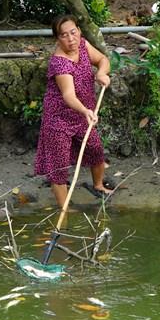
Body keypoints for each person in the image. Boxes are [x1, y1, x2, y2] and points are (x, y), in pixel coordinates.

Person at [34, 14, 114, 207]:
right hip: (59, 119)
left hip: (81, 116)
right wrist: (86, 111)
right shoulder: (59, 62)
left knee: (96, 150)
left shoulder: (83, 45)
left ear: (79, 31)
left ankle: (98, 185)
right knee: (59, 165)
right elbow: (68, 95)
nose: (71, 39)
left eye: (73, 32)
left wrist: (102, 72)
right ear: (57, 39)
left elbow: (103, 59)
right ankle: (64, 209)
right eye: (64, 35)